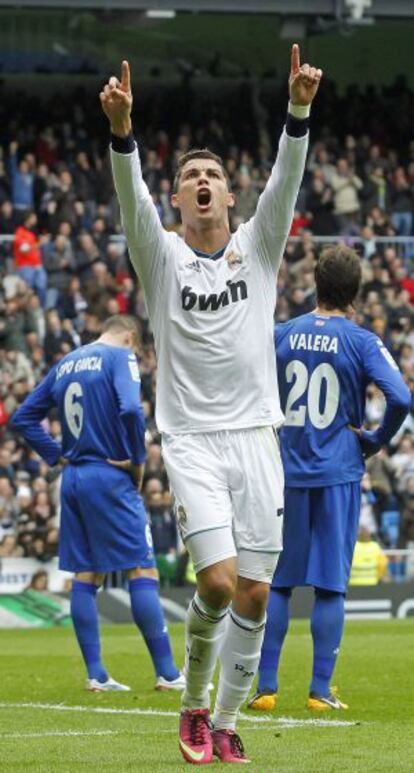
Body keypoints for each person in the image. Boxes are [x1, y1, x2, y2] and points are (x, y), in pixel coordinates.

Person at [100, 45, 322, 764]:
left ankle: (226, 720)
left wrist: (297, 111)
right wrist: (123, 134)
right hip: (192, 437)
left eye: (213, 176)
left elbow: (287, 181)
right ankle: (193, 705)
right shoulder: (160, 255)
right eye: (191, 175)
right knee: (218, 582)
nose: (202, 182)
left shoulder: (257, 249)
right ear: (179, 198)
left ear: (230, 197)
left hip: (258, 436)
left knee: (257, 594)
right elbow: (131, 198)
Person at [249, 245, 410, 713]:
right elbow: (399, 397)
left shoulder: (282, 333)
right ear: (355, 292)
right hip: (338, 470)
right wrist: (374, 440)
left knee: (279, 581)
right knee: (329, 586)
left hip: (286, 469)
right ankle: (319, 691)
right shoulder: (361, 341)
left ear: (315, 285)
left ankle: (266, 688)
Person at [11, 314, 184, 693]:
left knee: (86, 575)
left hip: (73, 479)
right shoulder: (119, 357)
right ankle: (168, 673)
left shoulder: (66, 362)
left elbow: (23, 418)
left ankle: (96, 674)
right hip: (109, 476)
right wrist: (138, 463)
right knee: (142, 569)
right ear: (131, 338)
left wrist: (57, 456)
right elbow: (130, 409)